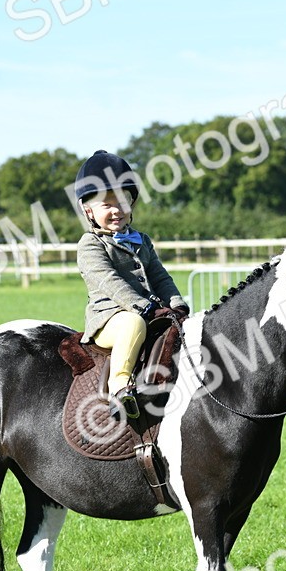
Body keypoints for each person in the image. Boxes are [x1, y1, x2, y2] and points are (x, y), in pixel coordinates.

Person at [74, 150, 188, 418]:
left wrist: (177, 304)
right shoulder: (90, 244)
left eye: (122, 202)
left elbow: (160, 277)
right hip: (110, 319)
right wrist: (142, 307)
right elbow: (109, 281)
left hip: (149, 310)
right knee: (132, 323)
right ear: (88, 210)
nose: (116, 210)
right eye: (106, 205)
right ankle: (120, 387)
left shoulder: (142, 240)